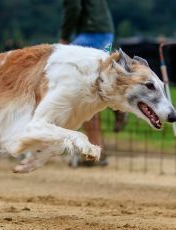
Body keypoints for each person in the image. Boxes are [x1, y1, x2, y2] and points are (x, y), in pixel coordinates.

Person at [60, 0, 127, 167]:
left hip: (90, 33)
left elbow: (73, 7)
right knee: (96, 84)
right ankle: (117, 104)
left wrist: (64, 37)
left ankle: (93, 151)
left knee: (85, 90)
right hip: (105, 32)